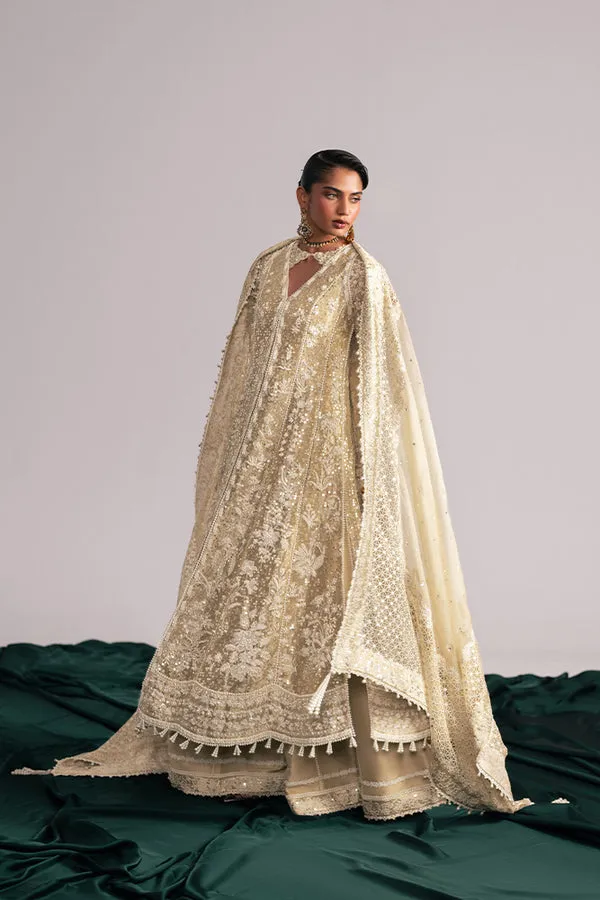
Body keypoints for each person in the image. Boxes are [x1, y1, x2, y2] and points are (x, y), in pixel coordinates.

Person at [13, 149, 545, 820]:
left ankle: (344, 765)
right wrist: (234, 460)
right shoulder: (266, 268)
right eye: (332, 194)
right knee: (256, 591)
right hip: (262, 461)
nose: (344, 210)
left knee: (322, 596)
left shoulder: (365, 278)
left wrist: (370, 481)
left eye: (355, 198)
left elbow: (384, 385)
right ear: (302, 196)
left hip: (330, 465)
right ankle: (240, 755)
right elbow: (244, 370)